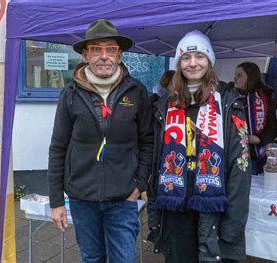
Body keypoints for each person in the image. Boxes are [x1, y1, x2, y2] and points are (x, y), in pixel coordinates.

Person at [47, 19, 153, 262]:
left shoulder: (136, 92)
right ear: (85, 55)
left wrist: (138, 186)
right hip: (82, 198)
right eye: (96, 49)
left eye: (110, 50)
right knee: (92, 258)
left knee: (123, 259)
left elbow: (148, 142)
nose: (103, 56)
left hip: (123, 198)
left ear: (119, 55)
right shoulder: (70, 94)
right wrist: (56, 201)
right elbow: (58, 147)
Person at [147, 30, 251, 263]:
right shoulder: (165, 106)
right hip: (175, 210)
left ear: (209, 61)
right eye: (186, 57)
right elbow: (155, 162)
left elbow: (241, 166)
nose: (193, 63)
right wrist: (153, 213)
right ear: (179, 63)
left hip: (214, 209)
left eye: (200, 56)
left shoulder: (228, 102)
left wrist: (234, 222)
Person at [233, 62, 277, 175]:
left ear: (250, 77)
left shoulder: (265, 97)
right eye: (235, 74)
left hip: (257, 152)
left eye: (240, 75)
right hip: (236, 151)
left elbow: (272, 125)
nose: (235, 78)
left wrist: (260, 139)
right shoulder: (231, 97)